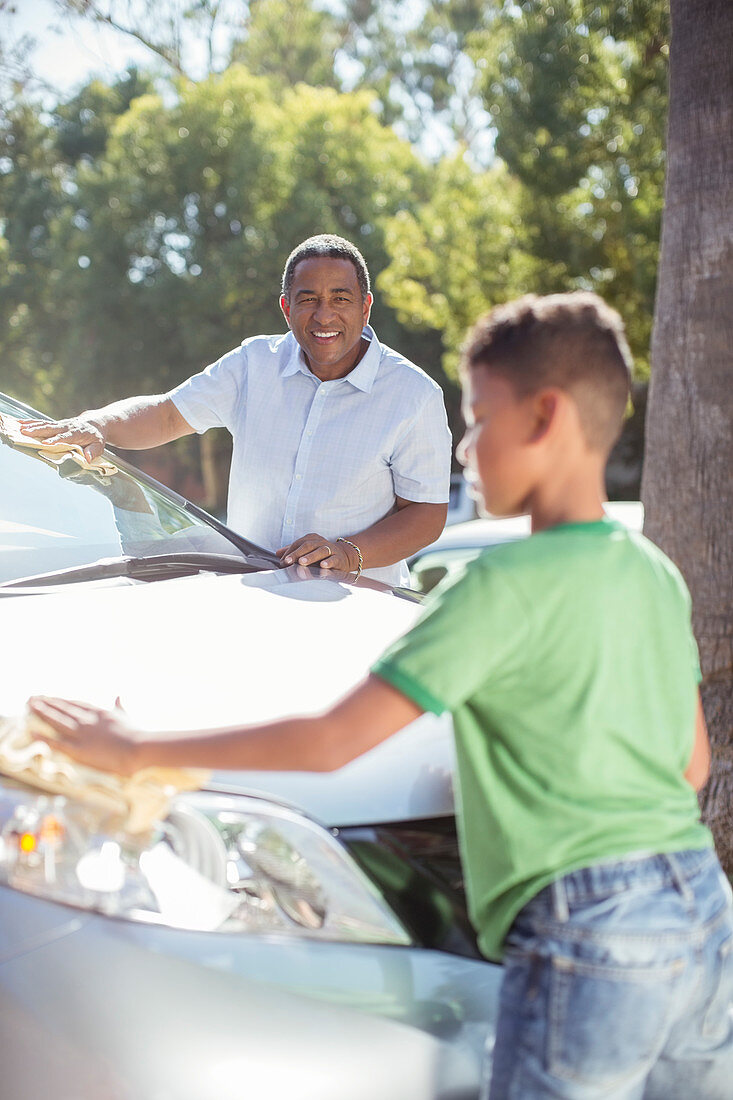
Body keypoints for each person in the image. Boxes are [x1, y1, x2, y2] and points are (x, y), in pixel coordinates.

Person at [30, 292, 733, 1099]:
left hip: (587, 930)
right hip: (700, 909)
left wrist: (134, 752)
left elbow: (333, 742)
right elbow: (688, 768)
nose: (464, 451)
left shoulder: (499, 587)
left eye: (477, 421)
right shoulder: (650, 570)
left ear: (543, 419)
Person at [19, 234, 451, 586]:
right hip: (251, 602)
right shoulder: (252, 364)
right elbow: (167, 413)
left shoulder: (414, 396)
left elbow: (427, 514)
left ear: (365, 305)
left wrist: (347, 552)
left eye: (340, 298)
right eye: (308, 299)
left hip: (357, 611)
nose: (324, 315)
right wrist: (97, 423)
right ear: (286, 308)